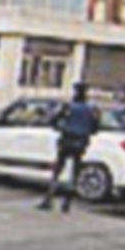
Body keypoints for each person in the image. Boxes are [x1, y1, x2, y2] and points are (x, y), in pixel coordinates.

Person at [39, 83, 100, 214]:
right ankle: (67, 202)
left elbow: (54, 119)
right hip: (81, 142)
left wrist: (60, 127)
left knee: (58, 170)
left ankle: (48, 199)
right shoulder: (91, 109)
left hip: (67, 139)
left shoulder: (69, 107)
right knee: (74, 172)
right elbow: (95, 127)